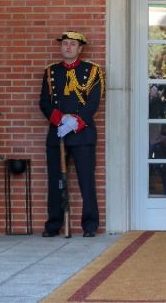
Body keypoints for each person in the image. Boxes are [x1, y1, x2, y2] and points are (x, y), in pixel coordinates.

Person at [39, 31, 104, 238]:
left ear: (80, 48)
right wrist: (60, 120)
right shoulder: (51, 71)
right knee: (56, 181)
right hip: (58, 133)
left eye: (72, 44)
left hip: (82, 133)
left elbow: (93, 102)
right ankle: (53, 224)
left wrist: (74, 122)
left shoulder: (92, 71)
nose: (68, 47)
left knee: (86, 181)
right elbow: (44, 102)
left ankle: (90, 225)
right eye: (65, 43)